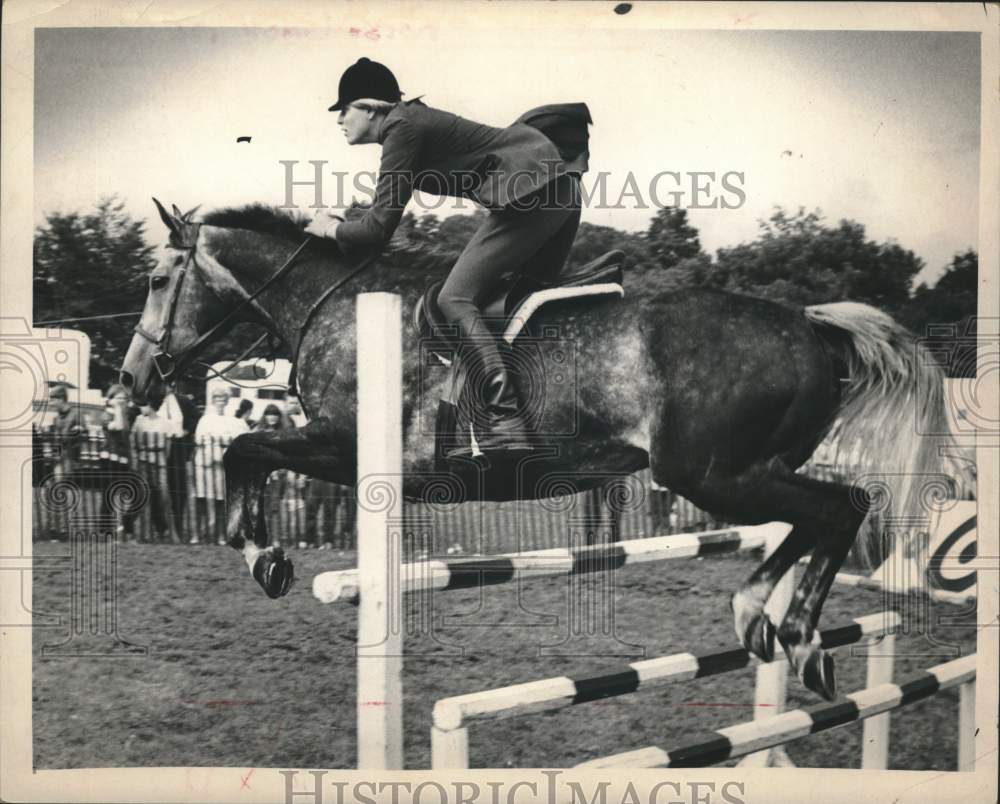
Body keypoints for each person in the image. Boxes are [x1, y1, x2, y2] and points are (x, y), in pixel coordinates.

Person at [306, 58, 592, 456]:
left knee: (453, 298)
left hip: (536, 197)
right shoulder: (410, 123)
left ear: (370, 107)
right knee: (512, 301)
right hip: (559, 194)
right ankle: (539, 406)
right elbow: (377, 217)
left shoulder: (400, 129)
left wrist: (327, 228)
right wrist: (348, 222)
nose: (339, 120)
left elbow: (376, 231)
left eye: (344, 109)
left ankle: (504, 420)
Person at [194, 388, 249, 544]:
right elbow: (199, 440)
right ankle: (200, 534)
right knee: (203, 498)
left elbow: (231, 440)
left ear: (226, 401)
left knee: (219, 499)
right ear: (212, 400)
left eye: (223, 398)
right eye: (217, 397)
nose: (220, 400)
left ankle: (218, 534)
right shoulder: (205, 419)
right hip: (204, 465)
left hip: (220, 466)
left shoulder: (230, 420)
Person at [131, 396, 182, 543]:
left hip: (159, 464)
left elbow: (167, 448)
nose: (140, 408)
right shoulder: (138, 421)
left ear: (152, 405)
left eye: (143, 405)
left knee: (164, 498)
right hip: (142, 463)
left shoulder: (165, 423)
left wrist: (160, 460)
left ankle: (170, 533)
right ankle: (141, 534)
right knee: (142, 498)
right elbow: (133, 443)